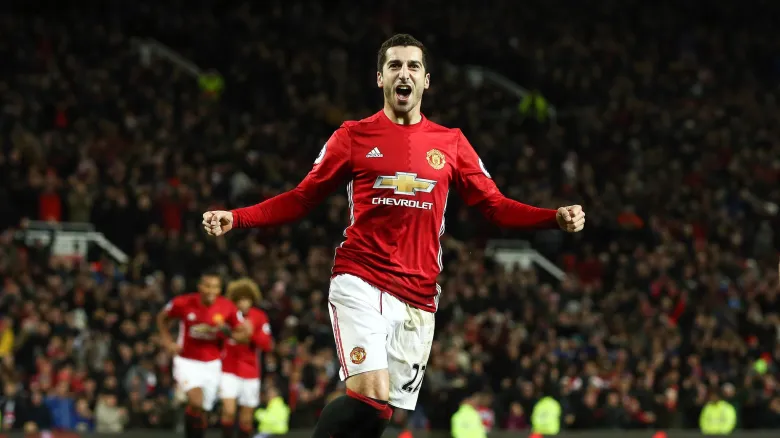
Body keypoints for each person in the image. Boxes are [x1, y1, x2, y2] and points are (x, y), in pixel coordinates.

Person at [202, 33, 586, 438]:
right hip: (361, 278)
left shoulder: (451, 143)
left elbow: (495, 205)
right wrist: (237, 218)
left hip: (418, 294)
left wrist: (553, 218)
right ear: (380, 78)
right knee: (370, 395)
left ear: (426, 80)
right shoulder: (353, 136)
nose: (404, 73)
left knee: (379, 413)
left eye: (413, 66)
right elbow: (301, 198)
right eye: (395, 66)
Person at [157, 269, 251, 438]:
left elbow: (243, 334)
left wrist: (228, 332)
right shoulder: (184, 302)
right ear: (200, 286)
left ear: (220, 289)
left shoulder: (227, 307)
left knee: (202, 410)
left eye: (215, 287)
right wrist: (168, 342)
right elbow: (162, 317)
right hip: (187, 361)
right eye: (207, 286)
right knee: (196, 401)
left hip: (213, 364)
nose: (211, 291)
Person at [219, 278, 274, 438]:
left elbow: (267, 344)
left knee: (246, 420)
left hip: (250, 372)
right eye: (239, 299)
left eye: (247, 299)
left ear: (252, 300)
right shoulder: (226, 316)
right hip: (228, 370)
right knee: (228, 412)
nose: (243, 303)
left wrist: (251, 334)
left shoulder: (259, 316)